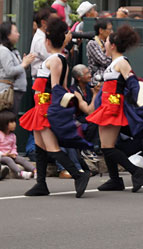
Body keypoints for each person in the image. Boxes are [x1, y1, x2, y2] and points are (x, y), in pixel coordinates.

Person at [19, 17, 90, 197]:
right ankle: (41, 184)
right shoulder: (59, 59)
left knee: (51, 147)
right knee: (40, 146)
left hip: (45, 108)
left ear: (48, 41)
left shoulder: (55, 60)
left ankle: (78, 174)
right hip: (41, 107)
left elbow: (58, 88)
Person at [86, 25, 143, 192]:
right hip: (107, 106)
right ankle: (115, 180)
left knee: (107, 147)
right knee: (106, 146)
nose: (105, 45)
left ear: (113, 45)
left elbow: (132, 84)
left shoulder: (122, 62)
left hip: (113, 107)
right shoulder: (113, 63)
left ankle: (135, 171)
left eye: (107, 42)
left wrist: (140, 102)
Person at [0, 22, 36, 114]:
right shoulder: (4, 51)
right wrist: (23, 64)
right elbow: (10, 71)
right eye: (15, 31)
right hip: (8, 92)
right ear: (7, 34)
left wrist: (26, 63)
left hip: (15, 91)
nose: (18, 34)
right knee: (8, 121)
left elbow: (19, 68)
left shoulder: (13, 51)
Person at [0, 110, 35, 179]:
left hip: (10, 155)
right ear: (3, 123)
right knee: (8, 160)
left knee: (21, 159)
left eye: (15, 122)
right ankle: (20, 173)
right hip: (2, 156)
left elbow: (13, 146)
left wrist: (13, 153)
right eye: (11, 122)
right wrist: (4, 154)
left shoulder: (12, 136)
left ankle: (34, 170)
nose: (14, 124)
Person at [30, 7, 55, 80]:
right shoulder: (40, 39)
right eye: (53, 21)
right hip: (42, 80)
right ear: (43, 23)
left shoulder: (44, 37)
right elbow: (53, 59)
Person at [87, 19, 113, 84]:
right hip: (98, 79)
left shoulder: (108, 43)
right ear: (101, 30)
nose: (111, 32)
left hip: (109, 78)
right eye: (109, 29)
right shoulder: (93, 43)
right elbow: (104, 61)